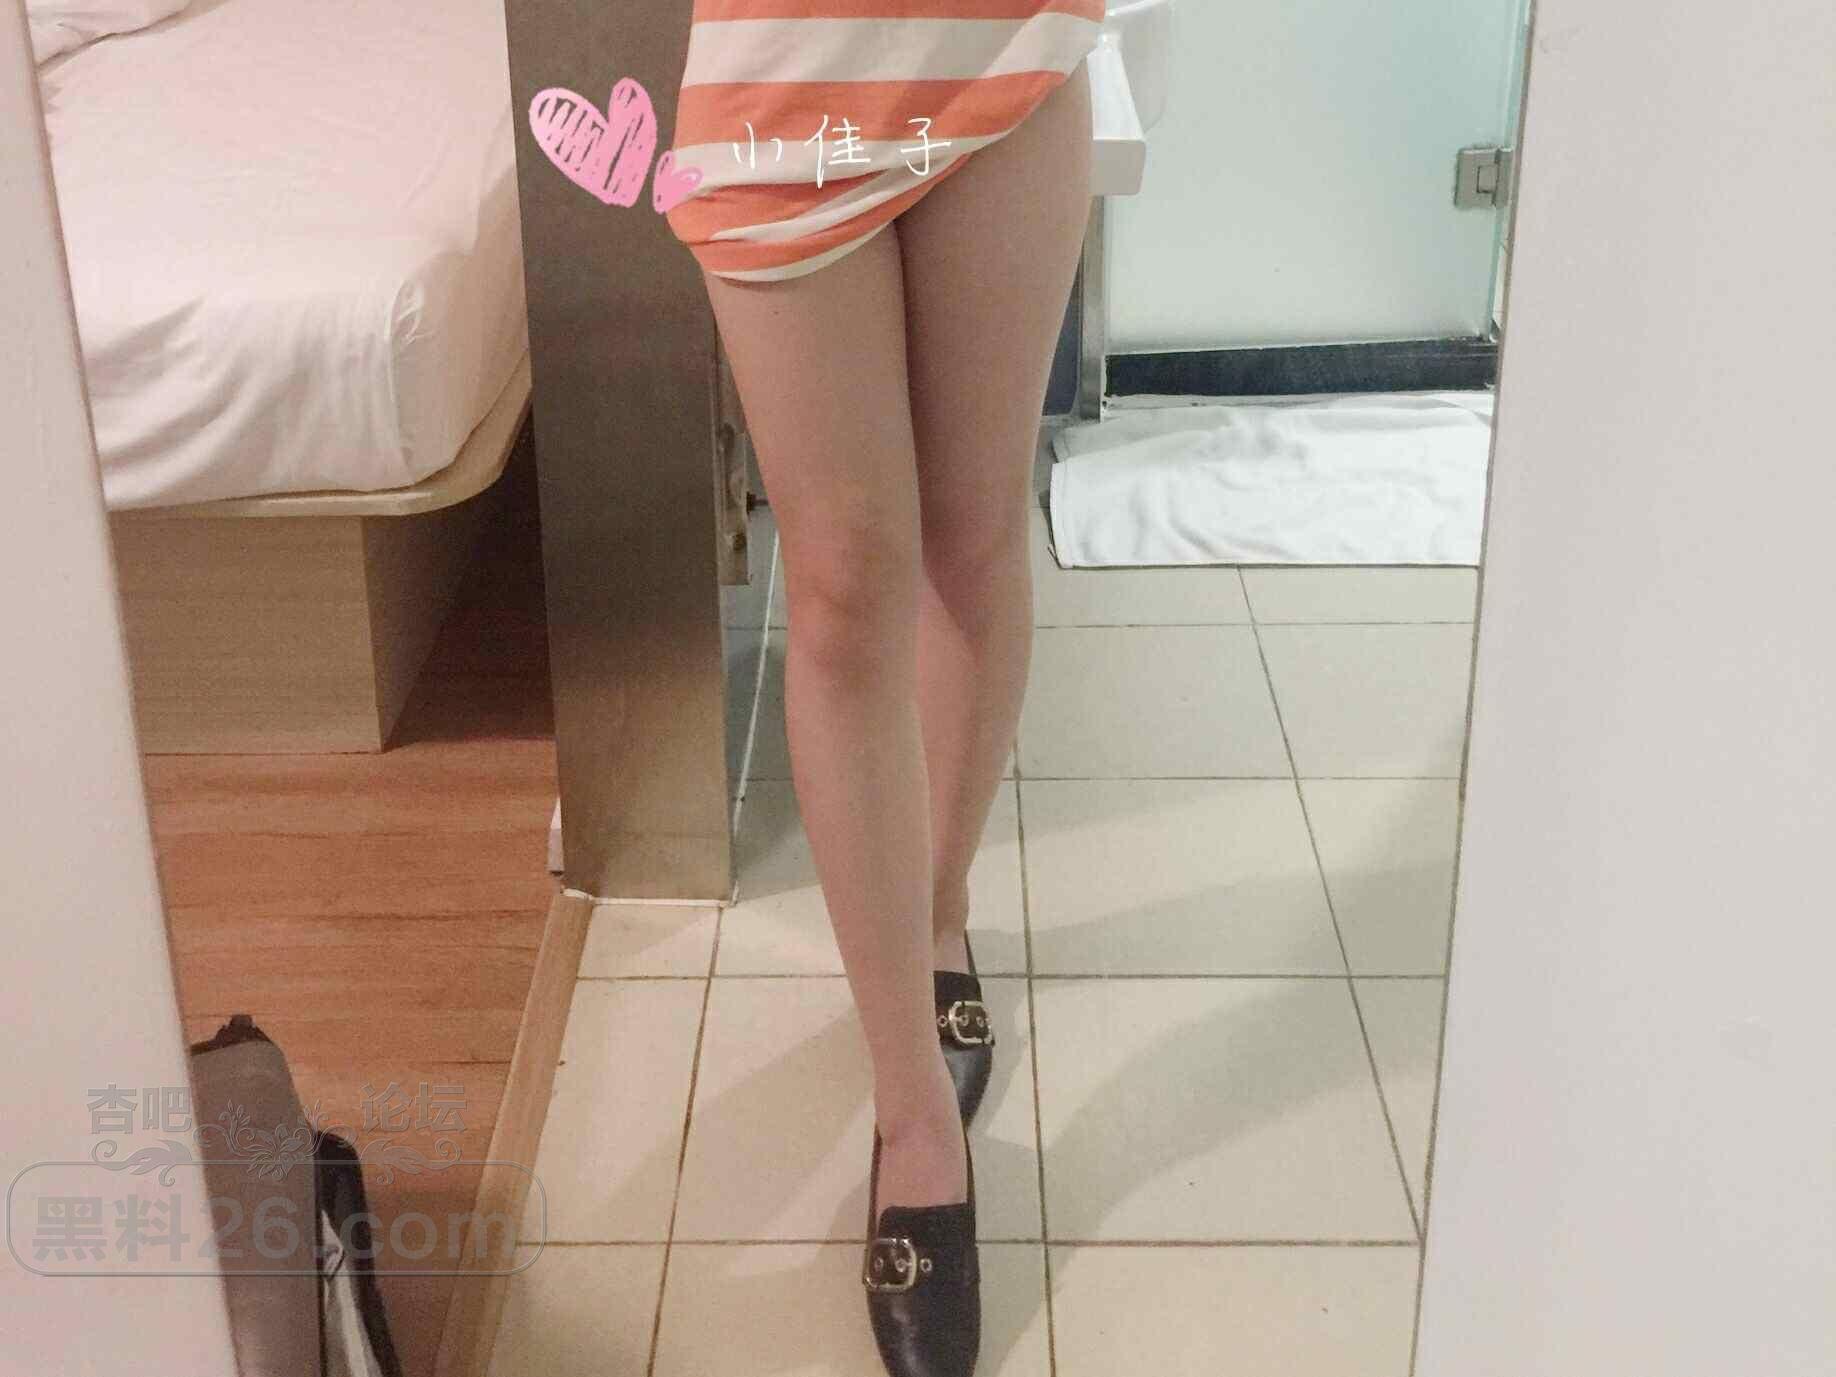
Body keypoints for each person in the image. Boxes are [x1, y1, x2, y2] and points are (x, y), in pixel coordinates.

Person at [663, 7, 1102, 1373]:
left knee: (973, 540)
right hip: (778, 80)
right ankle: (915, 1118)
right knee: (848, 587)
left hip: (999, 44)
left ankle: (941, 909)